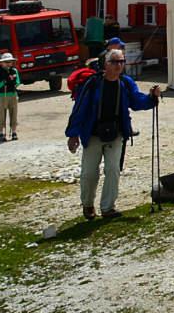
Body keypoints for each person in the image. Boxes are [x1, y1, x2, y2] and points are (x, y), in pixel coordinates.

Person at [65, 49, 161, 220]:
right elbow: (79, 108)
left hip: (116, 134)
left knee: (113, 170)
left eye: (122, 61)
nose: (119, 65)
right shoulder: (93, 83)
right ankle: (87, 204)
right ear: (106, 64)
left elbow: (137, 101)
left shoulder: (125, 82)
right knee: (89, 173)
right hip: (93, 133)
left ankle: (108, 208)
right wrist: (73, 134)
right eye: (115, 62)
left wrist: (151, 98)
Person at [0, 52, 20, 142]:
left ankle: (14, 132)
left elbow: (18, 82)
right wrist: (4, 82)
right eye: (6, 62)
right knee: (2, 114)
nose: (8, 64)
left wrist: (13, 83)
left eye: (10, 62)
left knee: (14, 113)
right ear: (1, 63)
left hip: (12, 94)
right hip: (2, 95)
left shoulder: (14, 71)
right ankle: (1, 133)